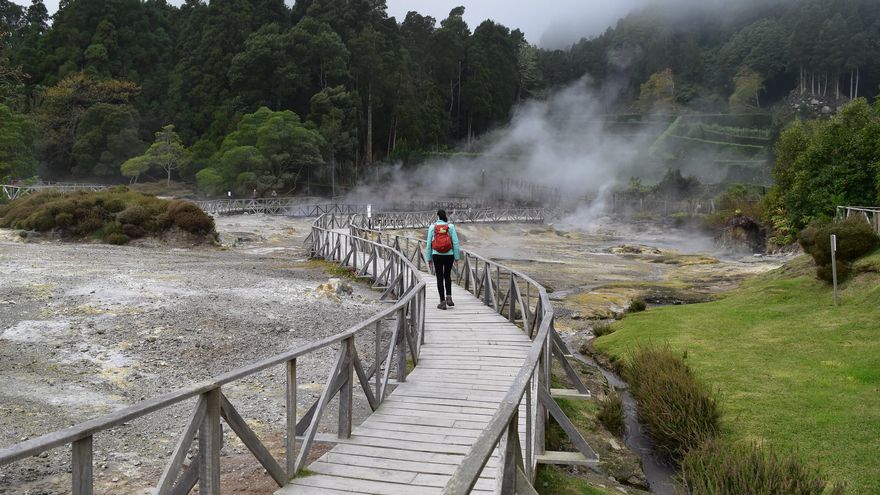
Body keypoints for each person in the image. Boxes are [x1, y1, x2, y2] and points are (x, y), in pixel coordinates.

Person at [426, 209, 460, 310]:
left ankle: (442, 301)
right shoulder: (450, 226)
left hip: (437, 254)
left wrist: (429, 258)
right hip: (449, 254)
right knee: (447, 275)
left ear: (437, 216)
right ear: (445, 215)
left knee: (439, 277)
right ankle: (449, 296)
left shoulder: (432, 227)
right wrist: (457, 257)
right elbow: (455, 242)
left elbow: (429, 244)